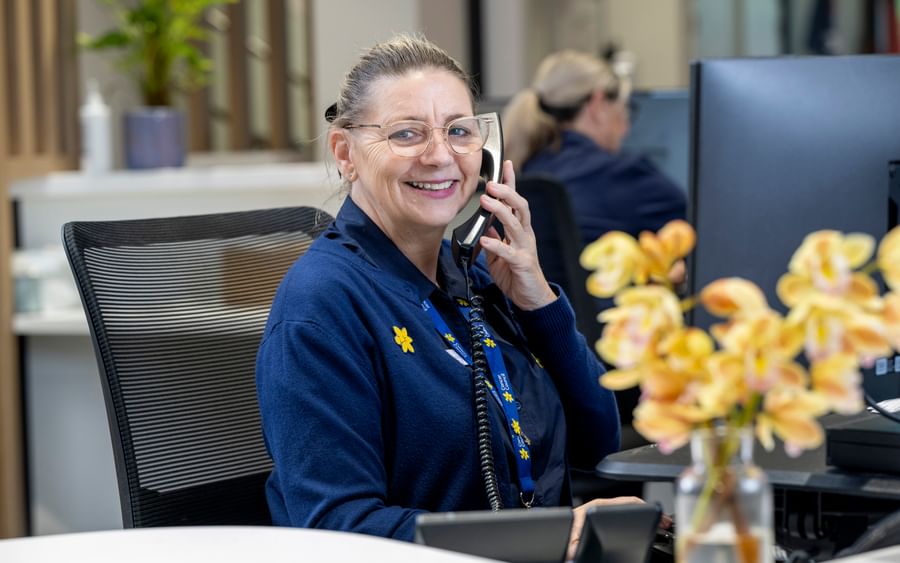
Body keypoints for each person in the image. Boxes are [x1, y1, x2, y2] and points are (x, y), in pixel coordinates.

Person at [255, 34, 648, 555]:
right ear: (345, 153)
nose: (440, 155)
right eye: (406, 134)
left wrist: (539, 306)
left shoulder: (474, 277)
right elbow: (337, 528)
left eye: (459, 131)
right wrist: (544, 537)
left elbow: (598, 441)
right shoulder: (323, 306)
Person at [503, 49, 687, 249]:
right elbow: (695, 230)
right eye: (626, 108)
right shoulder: (625, 175)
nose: (626, 127)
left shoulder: (522, 170)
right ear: (598, 104)